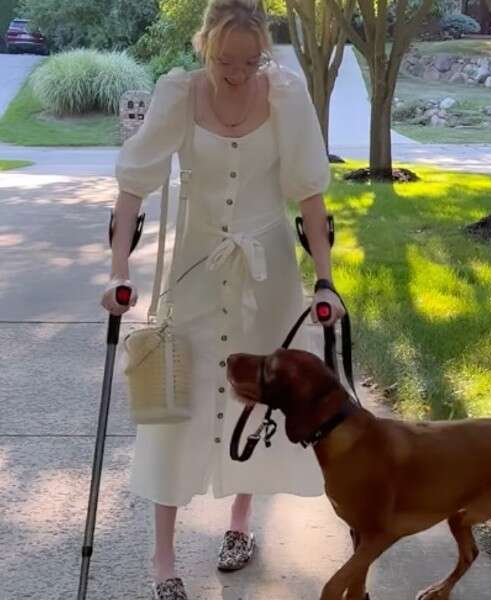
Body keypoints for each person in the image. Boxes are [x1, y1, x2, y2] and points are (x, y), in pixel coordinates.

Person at [100, 1, 345, 597]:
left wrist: (325, 279)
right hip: (196, 272)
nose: (235, 73)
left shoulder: (285, 95)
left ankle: (238, 528)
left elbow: (311, 198)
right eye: (222, 60)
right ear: (203, 45)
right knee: (174, 404)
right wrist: (116, 272)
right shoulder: (178, 94)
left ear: (264, 50)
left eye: (248, 61)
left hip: (267, 278)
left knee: (256, 400)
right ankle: (164, 560)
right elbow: (134, 185)